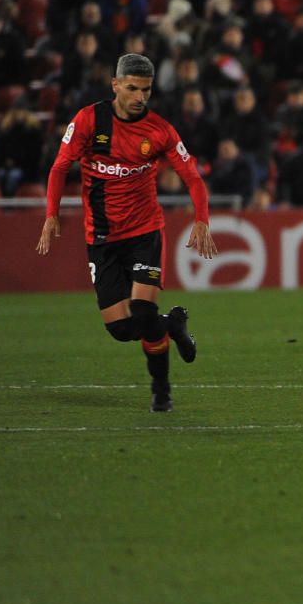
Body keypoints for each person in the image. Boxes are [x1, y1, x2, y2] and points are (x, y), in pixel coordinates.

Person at [36, 54, 218, 412]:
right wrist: (51, 214)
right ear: (115, 85)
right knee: (121, 328)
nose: (139, 97)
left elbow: (192, 176)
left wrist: (201, 219)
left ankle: (161, 389)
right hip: (101, 237)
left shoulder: (159, 130)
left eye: (146, 90)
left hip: (144, 232)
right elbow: (60, 167)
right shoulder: (90, 120)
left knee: (143, 311)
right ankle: (175, 324)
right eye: (132, 88)